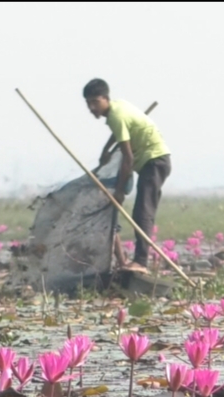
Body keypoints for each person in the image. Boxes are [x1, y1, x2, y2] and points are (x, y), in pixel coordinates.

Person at [83, 78, 171, 274]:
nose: (92, 107)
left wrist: (120, 191)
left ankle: (140, 262)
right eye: (88, 103)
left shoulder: (116, 116)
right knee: (142, 212)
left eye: (95, 102)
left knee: (142, 213)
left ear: (105, 99)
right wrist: (106, 151)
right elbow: (119, 133)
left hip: (154, 161)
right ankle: (138, 261)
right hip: (155, 161)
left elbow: (127, 159)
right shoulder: (118, 109)